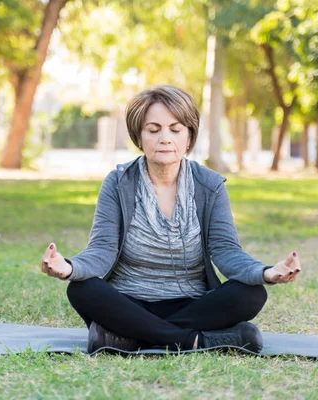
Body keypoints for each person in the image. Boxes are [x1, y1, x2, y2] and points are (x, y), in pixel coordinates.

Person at [41, 85, 302, 353]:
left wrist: (266, 272)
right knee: (82, 289)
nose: (165, 138)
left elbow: (226, 251)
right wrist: (70, 268)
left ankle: (126, 335)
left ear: (189, 137)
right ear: (139, 137)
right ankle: (194, 341)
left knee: (252, 293)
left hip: (191, 304)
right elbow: (102, 250)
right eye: (154, 130)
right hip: (128, 301)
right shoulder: (119, 183)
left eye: (175, 130)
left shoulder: (209, 186)